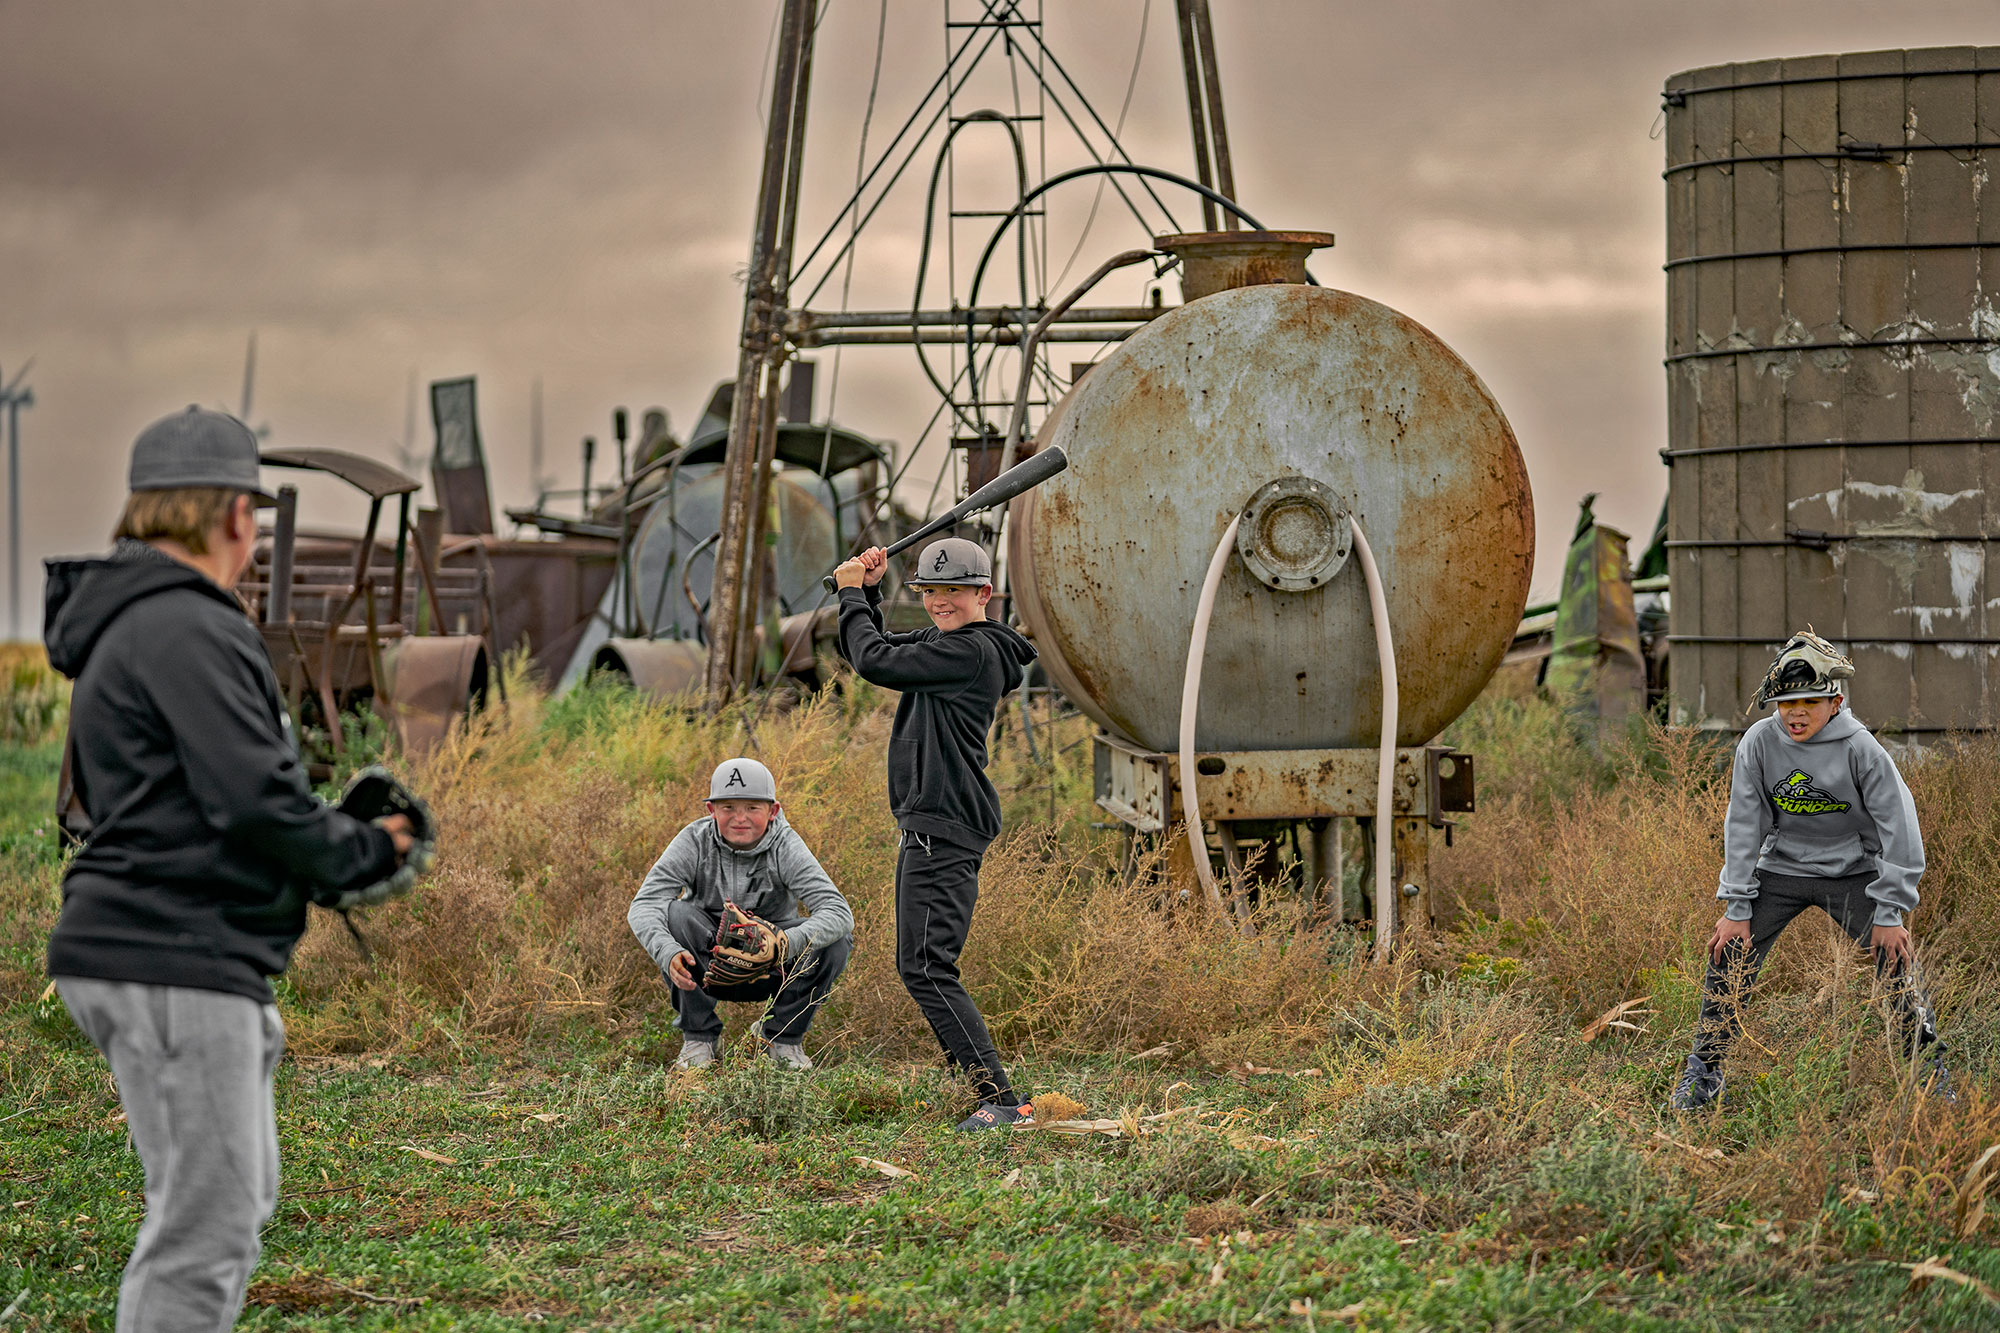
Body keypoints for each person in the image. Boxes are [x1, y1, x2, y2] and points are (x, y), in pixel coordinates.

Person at [43, 406, 417, 1331]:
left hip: (161, 945)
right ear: (235, 518)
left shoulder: (136, 625)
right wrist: (368, 850)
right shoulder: (185, 625)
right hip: (174, 952)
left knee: (222, 1214)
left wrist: (324, 846)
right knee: (204, 1234)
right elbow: (252, 798)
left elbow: (202, 800)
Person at [1668, 629, 1945, 1112]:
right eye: (1786, 702)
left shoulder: (1861, 749)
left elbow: (1900, 825)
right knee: (1728, 952)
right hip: (1784, 868)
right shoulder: (1758, 743)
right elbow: (1743, 825)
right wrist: (1736, 906)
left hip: (1855, 870)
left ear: (1835, 700)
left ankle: (1929, 1072)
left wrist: (1890, 911)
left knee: (1896, 959)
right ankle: (1704, 1075)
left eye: (1810, 701)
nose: (1797, 713)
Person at [832, 536, 1039, 1130]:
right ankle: (981, 1090)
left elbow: (874, 663)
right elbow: (880, 647)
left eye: (953, 591)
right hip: (932, 825)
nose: (939, 602)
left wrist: (849, 592)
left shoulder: (970, 654)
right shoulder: (950, 644)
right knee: (920, 962)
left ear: (984, 593)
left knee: (926, 965)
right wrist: (868, 595)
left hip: (942, 827)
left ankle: (1001, 1101)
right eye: (928, 591)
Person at [627, 757, 853, 1071]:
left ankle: (781, 1039)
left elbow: (838, 911)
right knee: (675, 914)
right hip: (708, 963)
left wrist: (784, 942)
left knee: (836, 939)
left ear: (773, 811)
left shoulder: (785, 844)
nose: (740, 818)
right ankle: (699, 1038)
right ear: (711, 810)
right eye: (728, 807)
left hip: (772, 965)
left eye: (752, 807)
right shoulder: (694, 840)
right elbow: (645, 904)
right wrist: (667, 951)